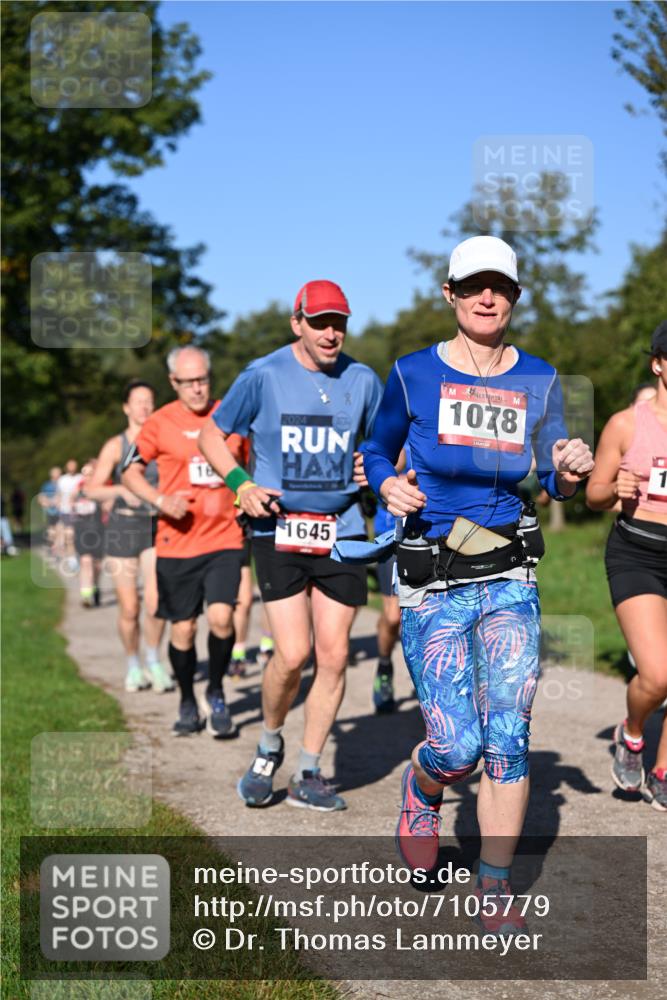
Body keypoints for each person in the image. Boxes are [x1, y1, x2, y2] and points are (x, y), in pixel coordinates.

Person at [361, 236, 594, 933]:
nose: (486, 297)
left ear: (514, 297)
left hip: (508, 576)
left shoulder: (540, 380)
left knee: (507, 742)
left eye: (499, 286)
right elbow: (375, 447)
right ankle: (423, 783)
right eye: (473, 286)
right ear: (450, 295)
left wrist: (571, 470)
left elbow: (553, 476)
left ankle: (495, 888)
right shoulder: (410, 374)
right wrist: (386, 484)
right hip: (433, 580)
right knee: (456, 747)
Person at [199, 279, 384, 811]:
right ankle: (268, 745)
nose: (332, 332)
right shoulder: (263, 375)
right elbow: (214, 435)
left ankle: (309, 769)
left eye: (340, 322)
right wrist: (242, 484)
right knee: (293, 652)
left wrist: (374, 469)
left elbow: (382, 448)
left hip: (343, 528)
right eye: (321, 321)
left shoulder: (363, 380)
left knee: (335, 653)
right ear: (296, 322)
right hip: (278, 528)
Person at [122, 346, 248, 738]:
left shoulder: (232, 414)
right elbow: (129, 472)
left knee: (223, 618)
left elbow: (256, 461)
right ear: (173, 383)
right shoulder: (158, 424)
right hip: (177, 543)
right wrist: (160, 500)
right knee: (183, 631)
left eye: (203, 380)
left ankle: (216, 691)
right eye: (188, 382)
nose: (197, 388)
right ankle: (187, 700)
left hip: (225, 536)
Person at [586, 320, 667, 812]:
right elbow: (593, 493)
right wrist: (612, 489)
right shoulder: (627, 423)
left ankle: (662, 771)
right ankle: (632, 732)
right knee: (657, 676)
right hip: (638, 553)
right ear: (659, 363)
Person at [86, 380, 171, 694]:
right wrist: (123, 488)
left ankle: (154, 660)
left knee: (155, 601)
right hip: (123, 527)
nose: (144, 407)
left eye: (149, 401)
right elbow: (92, 489)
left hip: (155, 527)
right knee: (129, 608)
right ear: (126, 408)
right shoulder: (115, 445)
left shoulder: (163, 441)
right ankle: (133, 665)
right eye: (138, 401)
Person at [71, 460, 104, 607]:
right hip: (81, 531)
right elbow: (69, 507)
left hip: (98, 531)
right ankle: (86, 596)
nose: (87, 477)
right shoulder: (77, 490)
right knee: (85, 562)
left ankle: (95, 587)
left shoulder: (100, 489)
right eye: (84, 473)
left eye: (90, 474)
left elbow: (108, 507)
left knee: (97, 565)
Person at [55, 459, 80, 567]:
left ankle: (80, 555)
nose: (72, 468)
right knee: (69, 535)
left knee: (79, 536)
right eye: (70, 466)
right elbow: (59, 494)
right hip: (66, 510)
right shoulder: (62, 479)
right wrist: (58, 503)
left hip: (80, 511)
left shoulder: (80, 478)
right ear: (66, 467)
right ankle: (72, 559)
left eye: (74, 466)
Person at [38, 466, 61, 555]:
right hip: (50, 511)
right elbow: (41, 497)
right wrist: (46, 503)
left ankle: (59, 549)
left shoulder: (63, 483)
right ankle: (53, 548)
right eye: (56, 473)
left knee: (60, 529)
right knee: (51, 530)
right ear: (51, 474)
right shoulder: (47, 485)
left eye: (59, 472)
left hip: (61, 510)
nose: (58, 474)